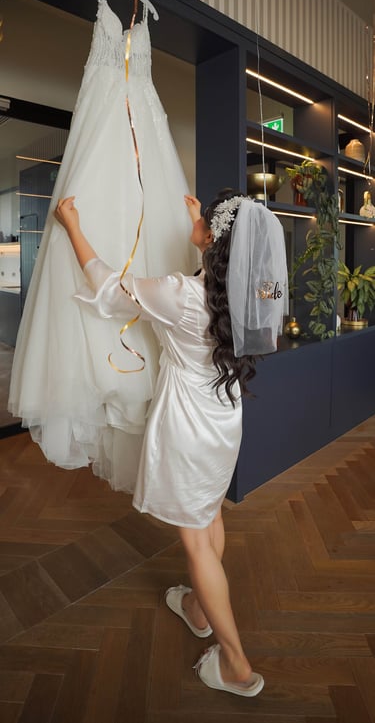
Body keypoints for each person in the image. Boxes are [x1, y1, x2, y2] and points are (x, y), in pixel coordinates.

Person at [54, 188, 287, 697]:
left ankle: (236, 665)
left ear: (213, 243)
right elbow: (215, 288)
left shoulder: (181, 293)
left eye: (206, 221)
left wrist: (73, 225)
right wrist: (202, 226)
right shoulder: (246, 291)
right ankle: (200, 608)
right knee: (210, 516)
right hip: (224, 417)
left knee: (198, 537)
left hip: (186, 422)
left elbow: (110, 290)